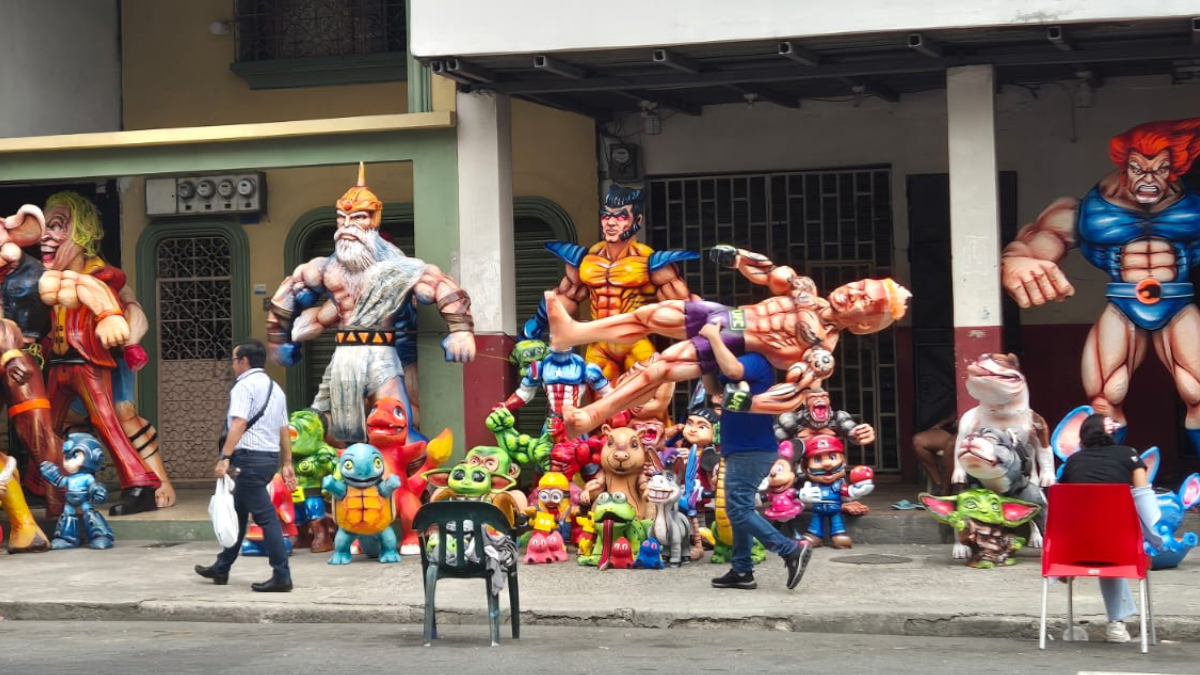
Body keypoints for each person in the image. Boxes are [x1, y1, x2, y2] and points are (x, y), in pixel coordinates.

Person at [545, 244, 910, 437]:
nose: (853, 294)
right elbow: (767, 273)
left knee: (662, 366)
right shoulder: (805, 288)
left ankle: (593, 415)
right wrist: (736, 258)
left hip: (732, 340)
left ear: (863, 325)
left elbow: (794, 395)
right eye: (860, 287)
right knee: (652, 315)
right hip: (728, 314)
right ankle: (575, 332)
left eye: (865, 302)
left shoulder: (821, 351)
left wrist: (746, 401)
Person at [1000, 118, 1200, 457]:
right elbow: (1032, 244)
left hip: (1178, 301)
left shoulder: (1192, 205)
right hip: (1123, 303)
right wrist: (1016, 262)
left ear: (1174, 169)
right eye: (1139, 168)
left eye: (1161, 169)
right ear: (1124, 165)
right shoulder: (1086, 209)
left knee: (1196, 390)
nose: (1149, 180)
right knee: (1107, 394)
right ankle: (1104, 476)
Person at [266, 163, 475, 444]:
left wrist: (460, 330)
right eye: (342, 219)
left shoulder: (401, 268)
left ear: (373, 221)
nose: (348, 226)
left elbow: (442, 286)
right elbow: (288, 293)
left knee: (396, 424)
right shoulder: (325, 268)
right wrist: (278, 338)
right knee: (326, 430)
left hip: (381, 355)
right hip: (342, 356)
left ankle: (406, 484)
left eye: (359, 217)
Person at [520, 184, 697, 383]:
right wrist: (532, 329)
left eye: (621, 217)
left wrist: (704, 347)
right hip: (599, 346)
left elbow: (687, 308)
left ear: (636, 220)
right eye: (606, 216)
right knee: (601, 410)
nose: (610, 223)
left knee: (643, 410)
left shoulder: (651, 263)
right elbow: (566, 296)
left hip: (635, 344)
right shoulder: (585, 260)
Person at [701, 322, 811, 591]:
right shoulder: (734, 361)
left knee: (737, 510)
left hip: (752, 450)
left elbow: (732, 371)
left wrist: (713, 336)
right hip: (740, 449)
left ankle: (789, 549)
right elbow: (713, 387)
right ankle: (742, 571)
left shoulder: (755, 360)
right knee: (741, 509)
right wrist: (705, 359)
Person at [195, 340, 296, 592]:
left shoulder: (244, 386)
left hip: (248, 459)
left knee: (266, 518)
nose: (232, 365)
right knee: (239, 512)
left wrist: (224, 457)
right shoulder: (276, 389)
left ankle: (282, 575)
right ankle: (222, 567)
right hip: (267, 459)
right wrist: (286, 463)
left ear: (244, 361)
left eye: (233, 360)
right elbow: (283, 429)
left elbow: (239, 423)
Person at [1058, 413, 1163, 643]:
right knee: (1113, 545)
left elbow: (1062, 508)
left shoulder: (1073, 462)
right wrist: (1154, 540)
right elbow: (1144, 499)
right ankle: (1116, 624)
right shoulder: (1130, 455)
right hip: (1118, 549)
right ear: (1112, 435)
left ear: (1083, 438)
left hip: (1072, 551)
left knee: (1100, 539)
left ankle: (1067, 573)